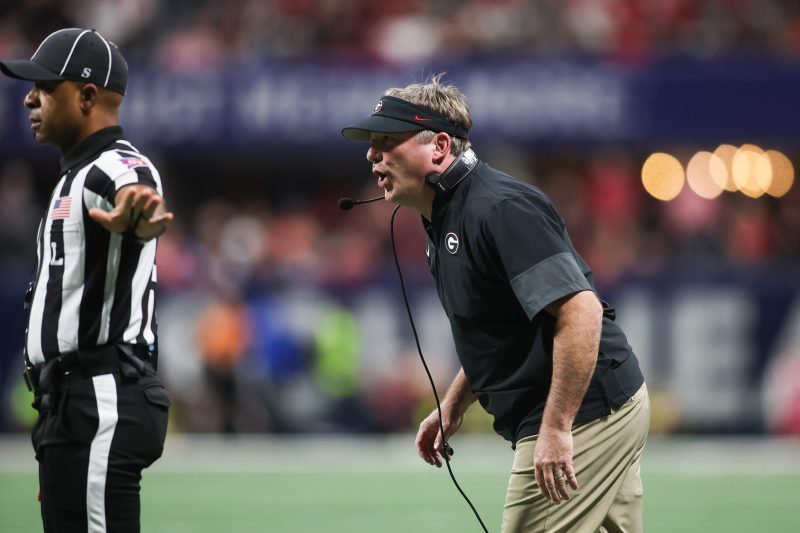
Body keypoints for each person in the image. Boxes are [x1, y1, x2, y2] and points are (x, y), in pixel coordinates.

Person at [341, 74, 649, 532]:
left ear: (439, 147)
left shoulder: (499, 208)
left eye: (387, 140)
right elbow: (500, 330)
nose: (372, 154)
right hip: (597, 405)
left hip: (584, 412)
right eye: (372, 143)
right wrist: (454, 404)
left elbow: (581, 310)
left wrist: (557, 428)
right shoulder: (447, 216)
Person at [1, 28, 173, 532]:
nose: (29, 98)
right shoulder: (72, 177)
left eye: (45, 87)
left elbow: (137, 193)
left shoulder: (112, 166)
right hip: (71, 406)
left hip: (99, 396)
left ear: (87, 96)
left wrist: (139, 216)